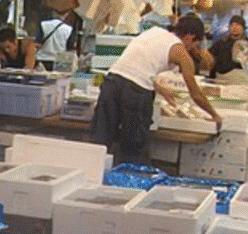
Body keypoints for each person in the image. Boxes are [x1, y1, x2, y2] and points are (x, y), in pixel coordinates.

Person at [91, 14, 221, 166]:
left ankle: (93, 180)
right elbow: (196, 94)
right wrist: (215, 115)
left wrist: (160, 89)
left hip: (111, 83)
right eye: (195, 44)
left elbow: (135, 68)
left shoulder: (153, 32)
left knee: (100, 141)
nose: (192, 48)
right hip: (135, 93)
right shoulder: (182, 53)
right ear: (190, 37)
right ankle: (130, 185)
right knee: (134, 147)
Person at [208, 15, 248, 83]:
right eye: (233, 25)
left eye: (238, 25)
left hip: (241, 79)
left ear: (243, 28)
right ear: (229, 27)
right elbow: (211, 59)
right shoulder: (221, 42)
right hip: (221, 78)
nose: (235, 27)